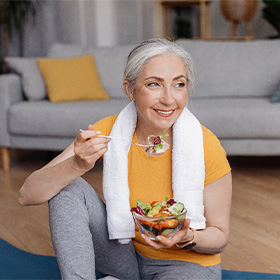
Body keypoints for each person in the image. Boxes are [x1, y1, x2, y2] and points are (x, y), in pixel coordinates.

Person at [19, 38, 232, 280]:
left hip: (187, 266)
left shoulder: (206, 145)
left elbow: (220, 237)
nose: (168, 99)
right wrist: (75, 165)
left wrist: (188, 236)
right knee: (67, 185)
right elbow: (27, 195)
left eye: (179, 84)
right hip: (126, 257)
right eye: (154, 84)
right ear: (129, 90)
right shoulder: (109, 131)